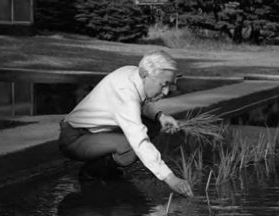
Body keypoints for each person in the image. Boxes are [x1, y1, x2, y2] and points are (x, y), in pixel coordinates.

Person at [58, 50, 193, 197]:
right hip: (75, 138)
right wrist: (170, 178)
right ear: (145, 74)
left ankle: (106, 167)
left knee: (152, 124)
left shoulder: (133, 74)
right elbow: (139, 141)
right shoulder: (125, 92)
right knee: (132, 147)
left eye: (170, 86)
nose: (166, 91)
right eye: (164, 84)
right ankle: (90, 173)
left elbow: (139, 102)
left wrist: (160, 116)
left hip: (93, 134)